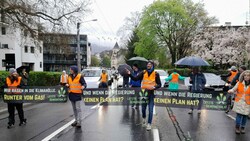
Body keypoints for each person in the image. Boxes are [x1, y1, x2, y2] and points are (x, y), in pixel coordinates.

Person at [127, 61, 161, 131]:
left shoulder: (156, 74)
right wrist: (130, 74)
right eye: (147, 64)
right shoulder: (143, 72)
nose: (148, 65)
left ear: (152, 65)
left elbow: (159, 84)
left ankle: (149, 124)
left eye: (150, 64)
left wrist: (155, 87)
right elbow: (136, 78)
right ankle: (144, 118)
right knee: (143, 109)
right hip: (144, 94)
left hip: (151, 94)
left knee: (150, 110)